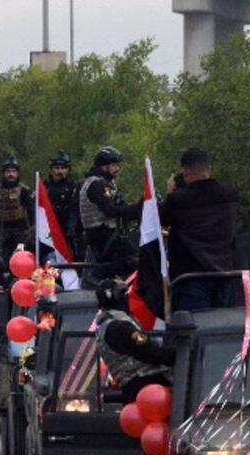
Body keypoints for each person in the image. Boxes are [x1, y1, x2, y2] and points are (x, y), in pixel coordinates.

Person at [160, 148, 238, 311]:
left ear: (184, 172)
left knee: (192, 323)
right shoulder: (228, 195)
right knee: (220, 322)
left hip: (190, 275)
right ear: (209, 168)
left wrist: (169, 193)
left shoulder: (178, 199)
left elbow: (163, 219)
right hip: (223, 272)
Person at [95, 278, 174, 403]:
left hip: (135, 391)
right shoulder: (120, 327)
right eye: (124, 294)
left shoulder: (105, 326)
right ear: (116, 297)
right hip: (147, 389)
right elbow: (149, 351)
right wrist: (176, 354)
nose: (127, 298)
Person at [79, 146, 142, 279]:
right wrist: (136, 207)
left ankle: (110, 279)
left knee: (135, 256)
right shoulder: (96, 184)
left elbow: (122, 207)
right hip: (101, 235)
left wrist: (138, 209)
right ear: (103, 166)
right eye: (114, 165)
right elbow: (110, 210)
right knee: (135, 259)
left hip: (109, 234)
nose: (117, 169)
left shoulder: (108, 184)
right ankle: (100, 274)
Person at [0, 158, 33, 255]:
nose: (11, 174)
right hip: (3, 230)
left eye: (14, 171)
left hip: (20, 230)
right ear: (4, 173)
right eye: (8, 171)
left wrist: (31, 231)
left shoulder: (24, 190)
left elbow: (31, 212)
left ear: (17, 173)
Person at [44, 151, 81, 258]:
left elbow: (75, 210)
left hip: (68, 229)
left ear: (68, 170)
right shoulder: (45, 187)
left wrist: (71, 229)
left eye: (63, 168)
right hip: (49, 229)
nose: (60, 171)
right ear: (51, 169)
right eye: (57, 168)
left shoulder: (72, 186)